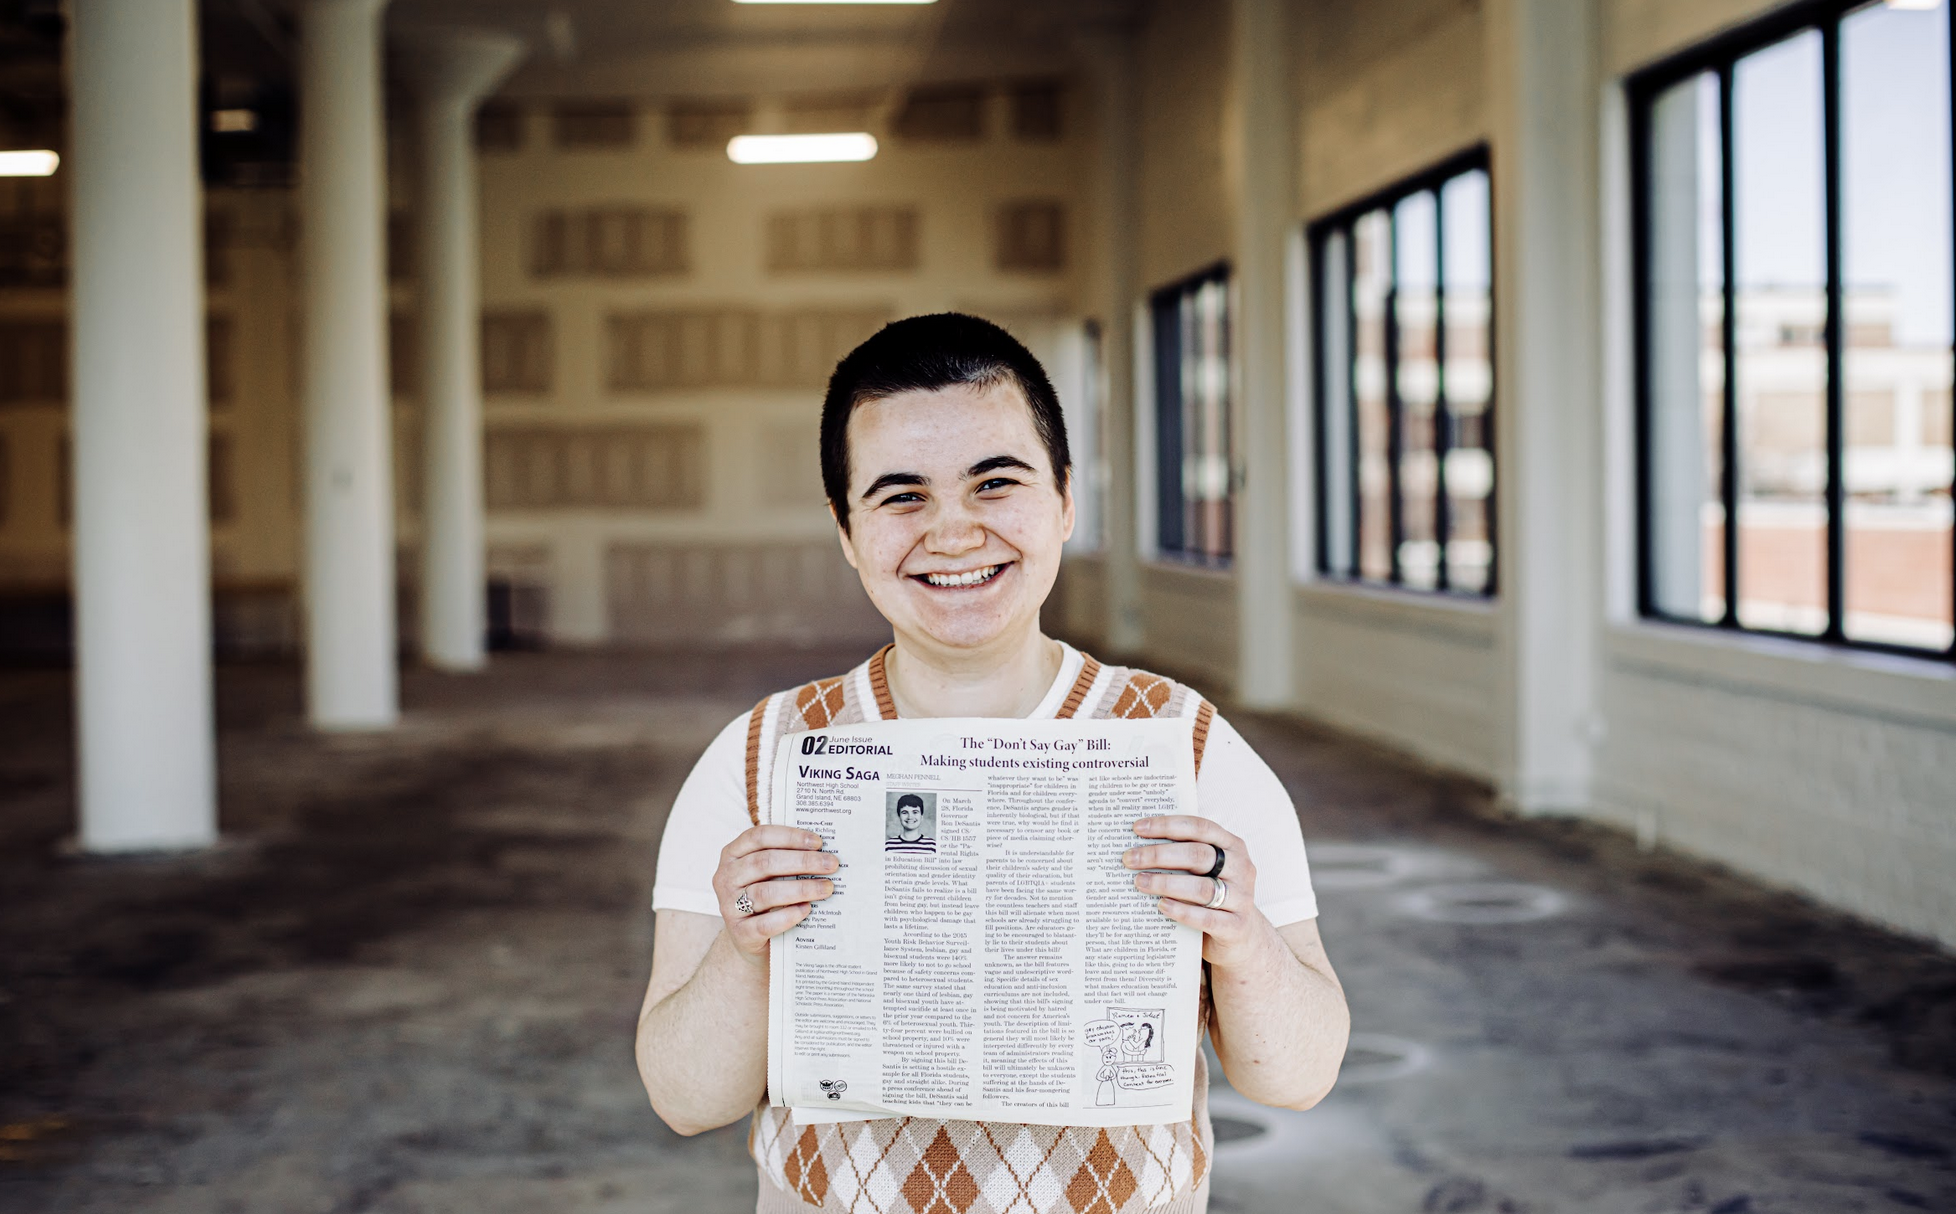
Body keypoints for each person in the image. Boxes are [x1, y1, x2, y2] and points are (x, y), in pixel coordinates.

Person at [636, 313, 1349, 1214]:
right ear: (847, 531)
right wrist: (747, 948)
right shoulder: (763, 758)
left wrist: (1241, 937)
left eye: (995, 483)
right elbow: (685, 1097)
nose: (955, 532)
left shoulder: (1185, 747)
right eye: (902, 497)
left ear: (1063, 499)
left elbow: (1299, 1075)